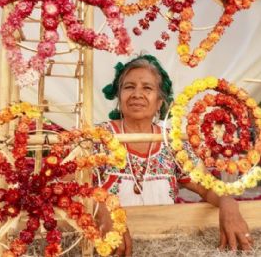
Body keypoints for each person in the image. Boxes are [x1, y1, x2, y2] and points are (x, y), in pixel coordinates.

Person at [95, 54, 253, 256]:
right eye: (129, 87)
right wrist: (101, 210)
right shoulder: (97, 138)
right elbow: (65, 187)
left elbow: (206, 187)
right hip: (112, 248)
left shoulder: (173, 143)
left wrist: (228, 204)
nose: (137, 94)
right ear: (119, 96)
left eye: (147, 88)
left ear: (160, 101)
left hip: (164, 246)